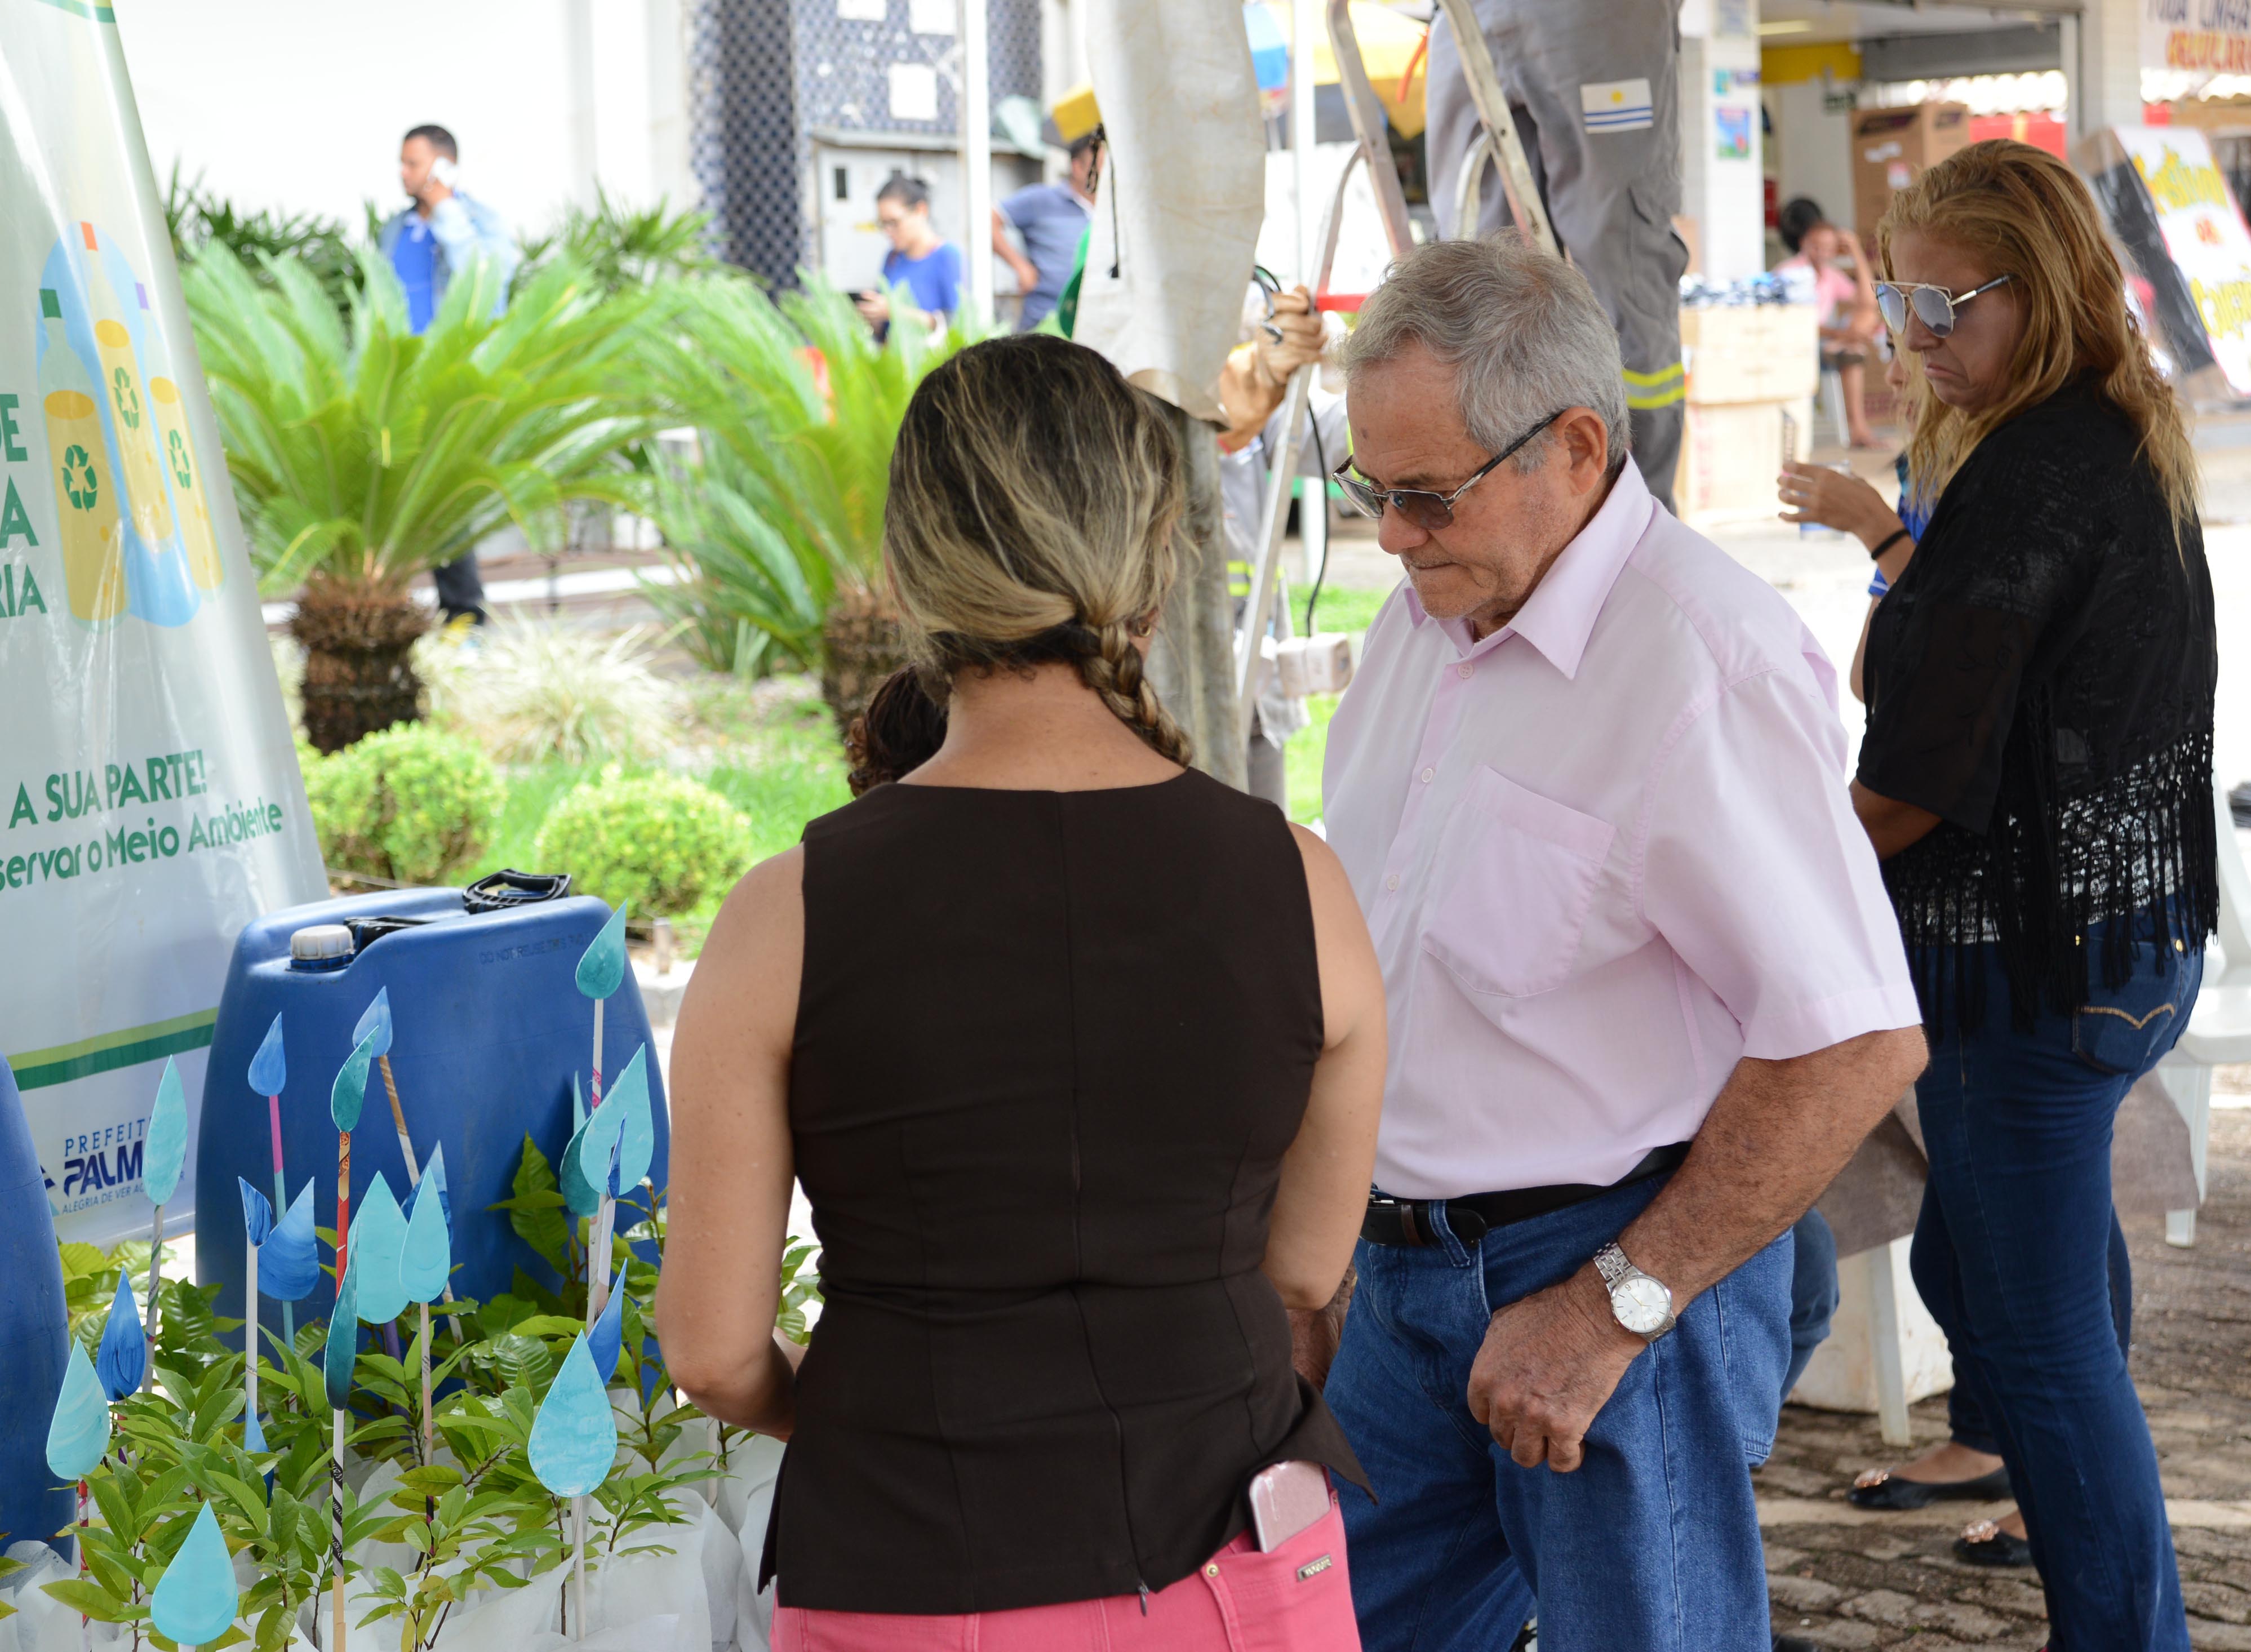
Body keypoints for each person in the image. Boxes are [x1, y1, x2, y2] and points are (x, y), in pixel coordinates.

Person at [659, 333, 1390, 1649]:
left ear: (906, 574)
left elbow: (712, 1347)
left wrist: (870, 1400)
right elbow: (1298, 1280)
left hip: (910, 1565)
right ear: (1155, 557)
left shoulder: (786, 914)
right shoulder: (1301, 887)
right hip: (1238, 1570)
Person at [1313, 234, 1928, 1650]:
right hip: (1393, 1271)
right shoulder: (1434, 607)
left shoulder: (1701, 659)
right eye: (1367, 490)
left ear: (1573, 447)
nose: (1390, 534)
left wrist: (1611, 1306)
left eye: (1421, 494)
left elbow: (1851, 1038)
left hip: (1603, 1269)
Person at [1847, 139, 2215, 1646]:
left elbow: (1919, 762)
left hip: (2037, 969)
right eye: (1901, 307)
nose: (1921, 343)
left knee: (2042, 1344)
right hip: (2116, 946)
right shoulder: (2109, 432)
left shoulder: (2031, 476)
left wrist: (1786, 874)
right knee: (2007, 1276)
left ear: (2045, 290)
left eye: (1952, 308)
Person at [1425, 0, 1689, 509]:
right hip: (1461, 16)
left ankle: (1636, 516)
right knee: (1476, 282)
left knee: (1623, 260)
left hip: (1592, 15)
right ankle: (1500, 507)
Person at [1212, 283, 1347, 807]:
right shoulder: (1117, 416)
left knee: (1258, 852)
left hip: (1254, 689)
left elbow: (1333, 436)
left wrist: (1375, 372)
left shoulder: (1253, 404)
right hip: (1167, 692)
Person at [378, 123, 516, 623]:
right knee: (383, 496)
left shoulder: (481, 225)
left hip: (449, 383)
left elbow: (483, 287)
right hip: (396, 380)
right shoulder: (394, 230)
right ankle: (380, 612)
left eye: (413, 163)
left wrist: (448, 212)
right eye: (403, 162)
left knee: (443, 498)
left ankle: (463, 615)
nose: (403, 172)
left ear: (442, 166)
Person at [1776, 197, 1886, 450]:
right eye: (1817, 247)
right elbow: (1795, 325)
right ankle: (1858, 429)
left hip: (1827, 344)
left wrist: (1856, 252)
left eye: (1829, 248)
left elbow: (1870, 302)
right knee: (1852, 348)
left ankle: (1858, 429)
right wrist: (1841, 334)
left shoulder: (1831, 275)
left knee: (1863, 325)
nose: (1823, 253)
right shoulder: (1789, 273)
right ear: (1803, 243)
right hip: (1795, 346)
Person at [993, 131, 1103, 330]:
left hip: (1094, 322)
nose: (1107, 174)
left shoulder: (1113, 211)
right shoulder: (1040, 200)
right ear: (1078, 168)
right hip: (1043, 321)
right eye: (1101, 166)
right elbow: (988, 220)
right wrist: (1020, 267)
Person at [853, 173, 960, 335]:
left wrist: (898, 312)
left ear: (921, 210)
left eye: (894, 222)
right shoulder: (892, 258)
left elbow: (959, 324)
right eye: (883, 224)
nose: (888, 231)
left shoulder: (948, 256)